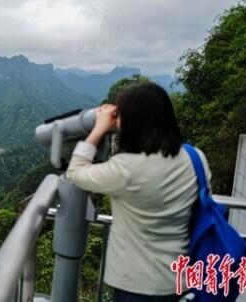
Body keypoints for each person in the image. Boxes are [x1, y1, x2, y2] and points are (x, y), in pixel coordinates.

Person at [66, 83, 211, 302]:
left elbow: (75, 171)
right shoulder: (195, 158)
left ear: (132, 123)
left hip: (135, 285)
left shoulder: (126, 169)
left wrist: (99, 128)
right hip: (181, 281)